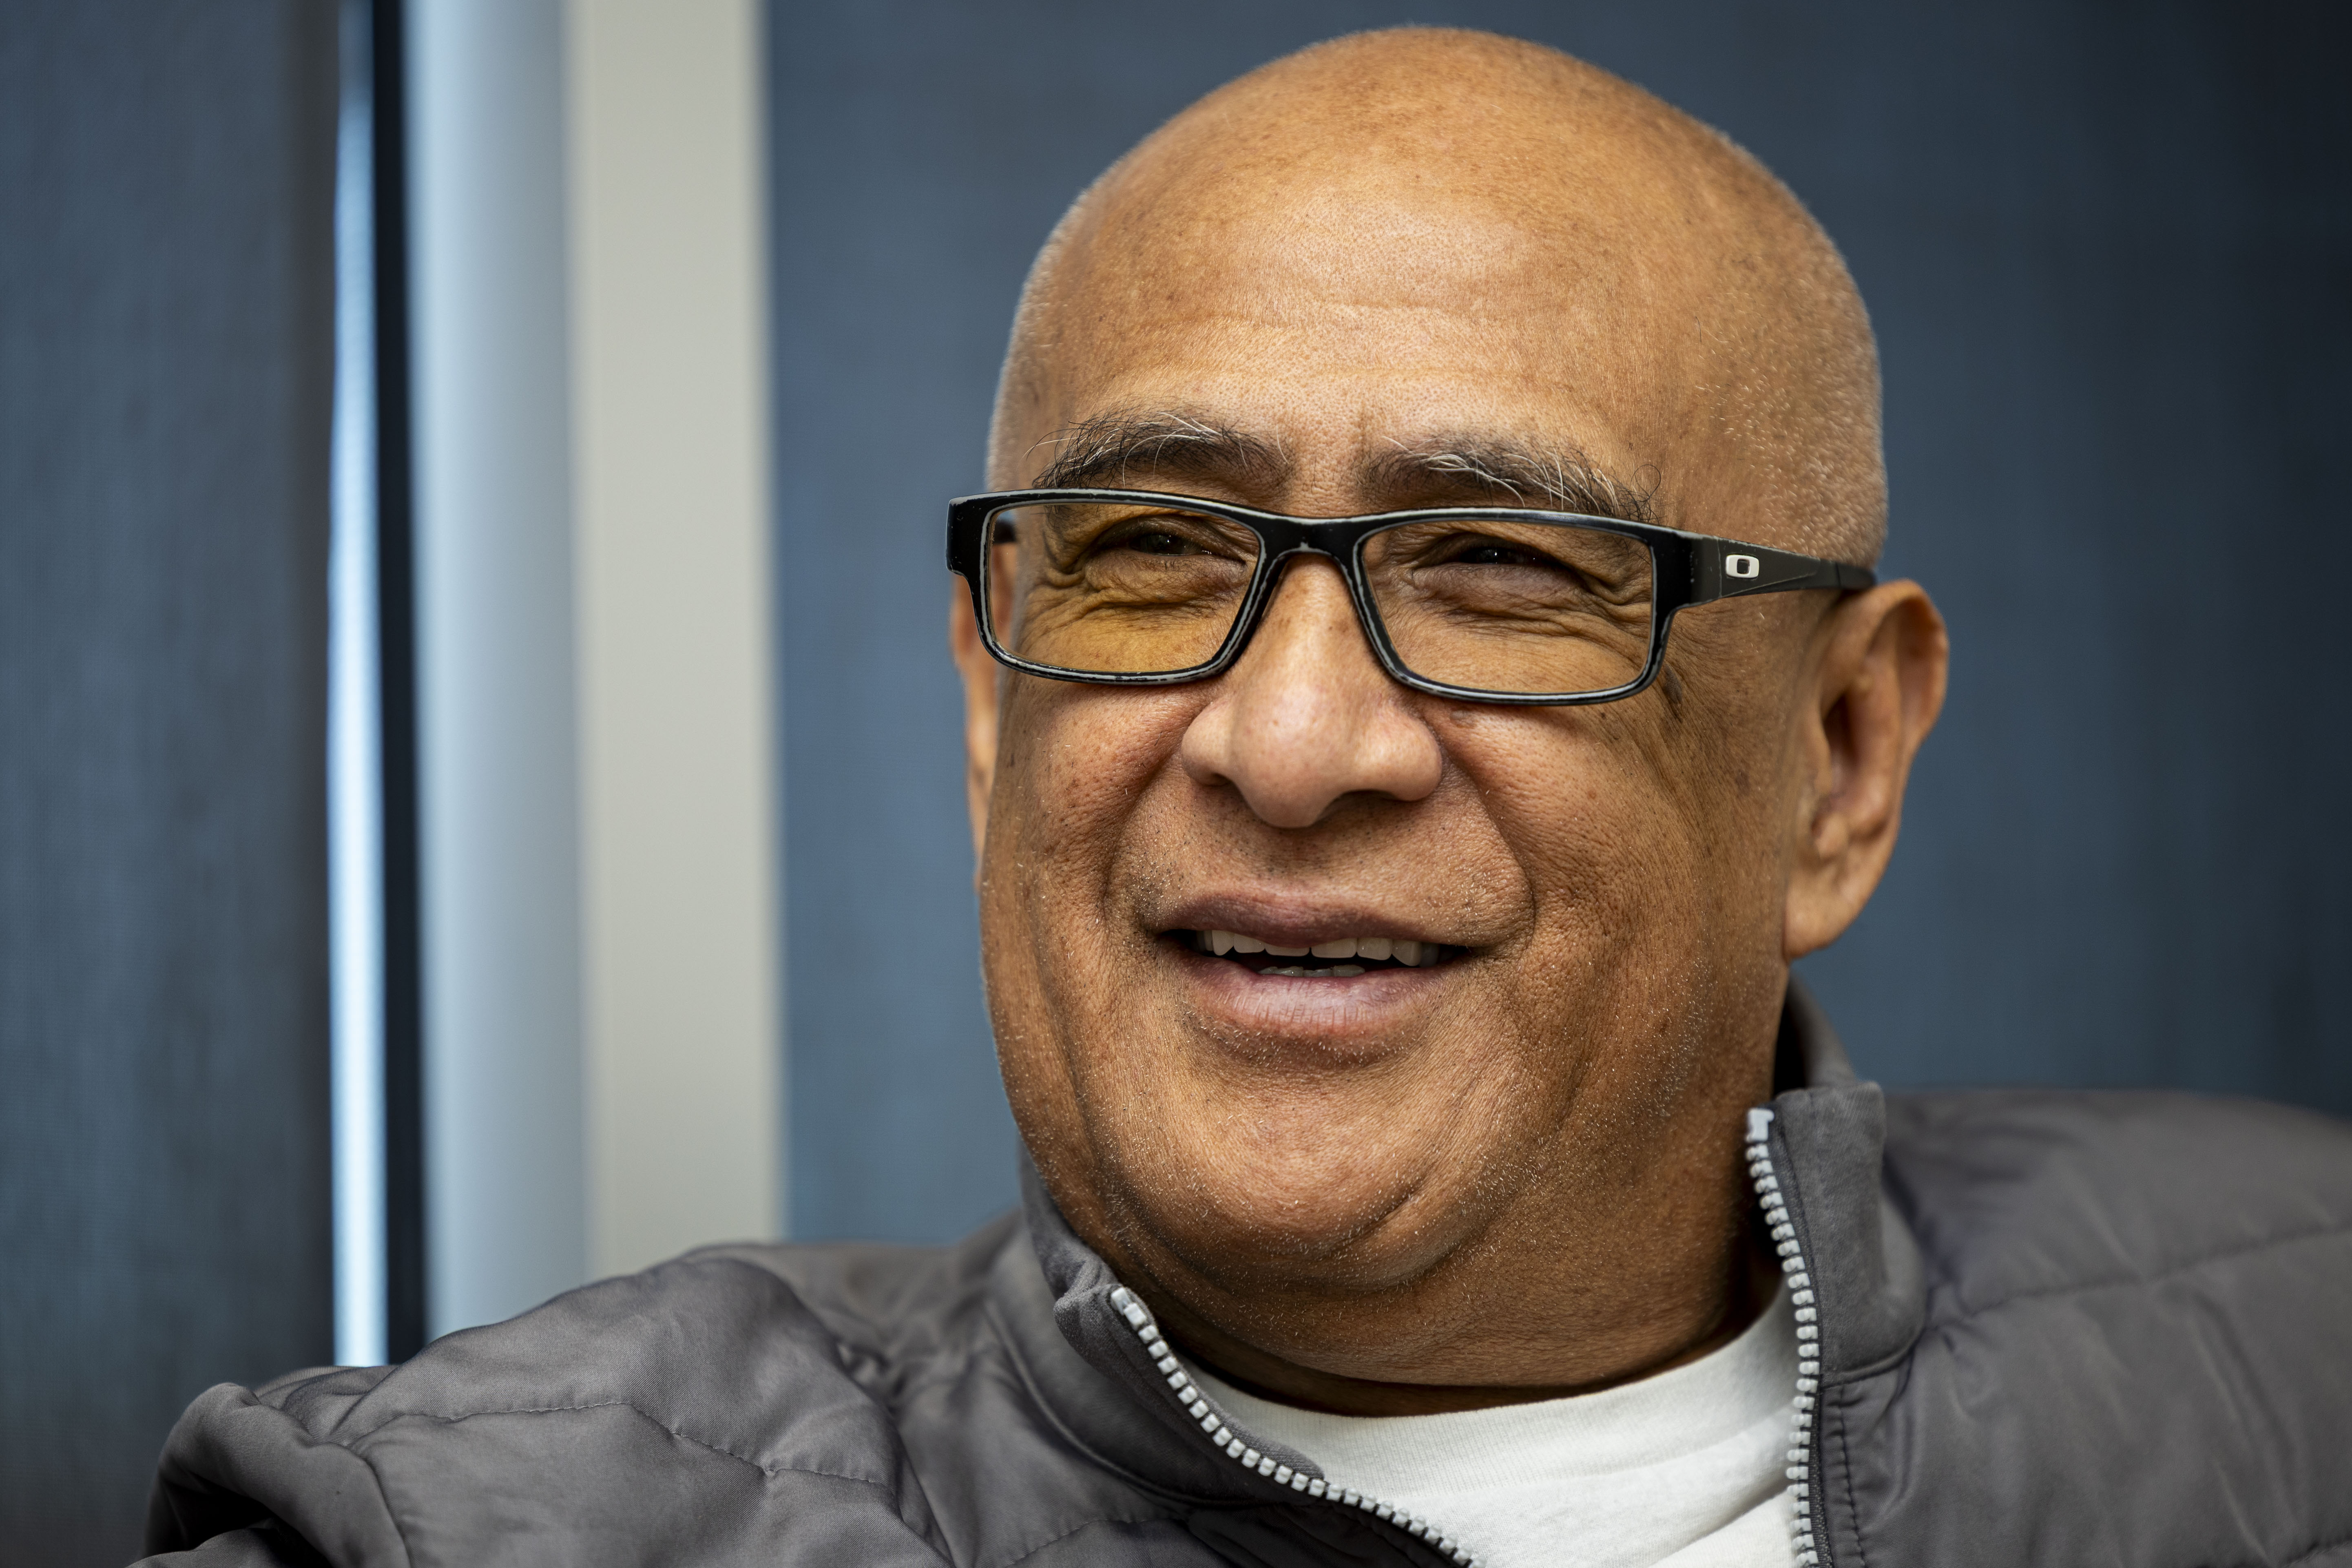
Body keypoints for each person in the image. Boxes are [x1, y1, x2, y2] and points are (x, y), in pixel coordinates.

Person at [140, 28, 2352, 1568]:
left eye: (1497, 570)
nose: (1285, 747)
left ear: (1837, 764)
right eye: (1146, 555)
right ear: (990, 711)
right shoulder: (462, 1525)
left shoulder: (2299, 1324)